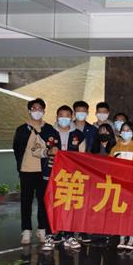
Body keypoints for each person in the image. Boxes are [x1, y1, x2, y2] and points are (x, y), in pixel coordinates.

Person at [13, 98, 59, 250]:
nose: (37, 111)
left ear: (44, 111)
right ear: (29, 110)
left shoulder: (49, 129)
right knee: (26, 201)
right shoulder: (22, 129)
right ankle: (26, 230)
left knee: (43, 201)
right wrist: (21, 165)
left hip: (44, 171)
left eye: (40, 108)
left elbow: (55, 148)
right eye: (34, 108)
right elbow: (17, 149)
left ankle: (42, 229)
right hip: (26, 171)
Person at [53, 105, 87, 249]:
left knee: (70, 204)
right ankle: (56, 232)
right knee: (56, 203)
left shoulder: (78, 135)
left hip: (72, 175)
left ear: (71, 117)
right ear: (57, 116)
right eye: (61, 115)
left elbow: (82, 156)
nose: (64, 118)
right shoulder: (49, 132)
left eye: (67, 116)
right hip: (54, 174)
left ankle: (70, 233)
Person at [111, 121, 133, 251]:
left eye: (128, 130)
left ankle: (131, 238)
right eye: (123, 130)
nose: (125, 132)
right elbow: (109, 164)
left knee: (132, 213)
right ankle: (122, 237)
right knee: (121, 212)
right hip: (119, 185)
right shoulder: (115, 148)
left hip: (132, 185)